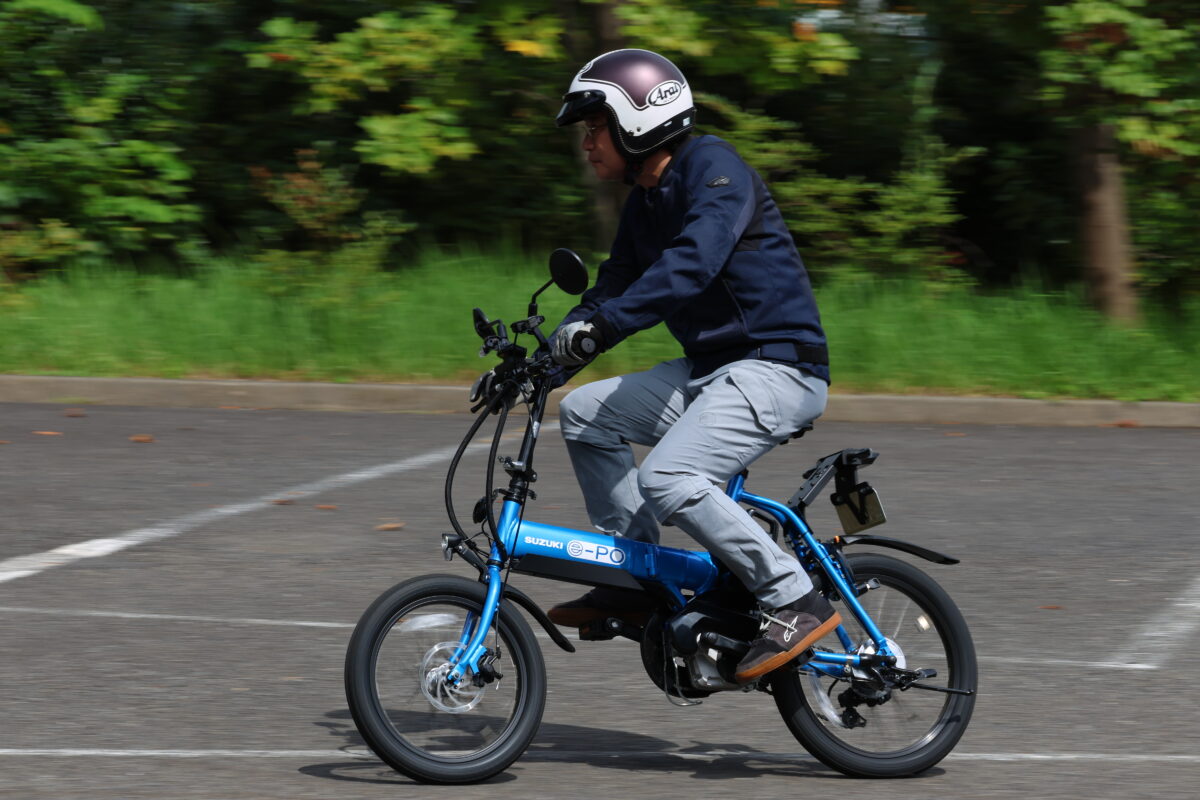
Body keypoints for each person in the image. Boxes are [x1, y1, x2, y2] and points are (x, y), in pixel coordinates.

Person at [544, 49, 841, 683]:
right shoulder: (644, 203)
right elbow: (614, 286)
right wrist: (549, 358)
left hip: (778, 368)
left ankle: (792, 596)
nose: (587, 143)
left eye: (595, 127)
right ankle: (638, 576)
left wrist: (604, 326)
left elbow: (691, 264)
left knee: (670, 478)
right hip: (712, 369)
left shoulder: (714, 169)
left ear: (638, 120)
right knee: (583, 414)